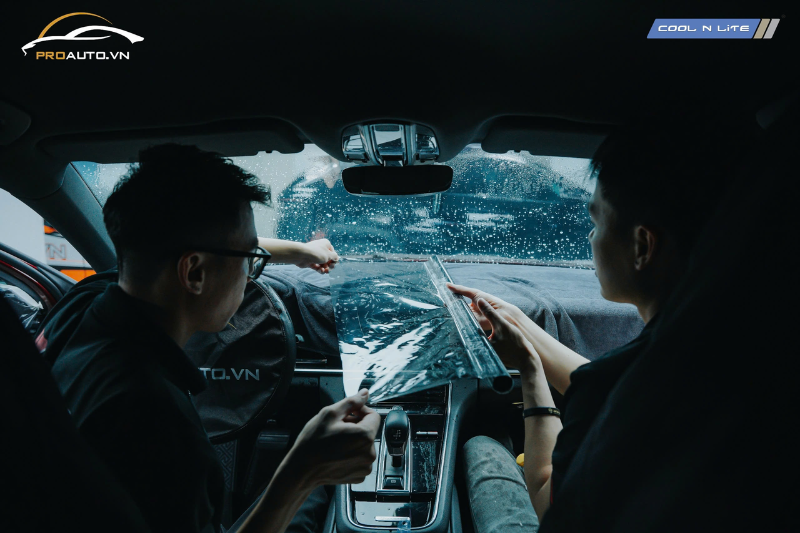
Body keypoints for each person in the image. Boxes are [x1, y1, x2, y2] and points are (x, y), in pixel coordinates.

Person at [50, 143, 379, 533]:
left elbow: (191, 246)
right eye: (250, 260)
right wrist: (303, 471)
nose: (253, 273)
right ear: (194, 274)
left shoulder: (83, 305)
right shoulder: (158, 427)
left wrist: (300, 251)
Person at [450, 126, 750, 532]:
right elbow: (608, 386)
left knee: (482, 447)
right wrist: (517, 320)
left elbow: (545, 499)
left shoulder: (627, 389)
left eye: (597, 221)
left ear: (642, 246)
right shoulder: (725, 351)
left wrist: (530, 370)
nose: (591, 236)